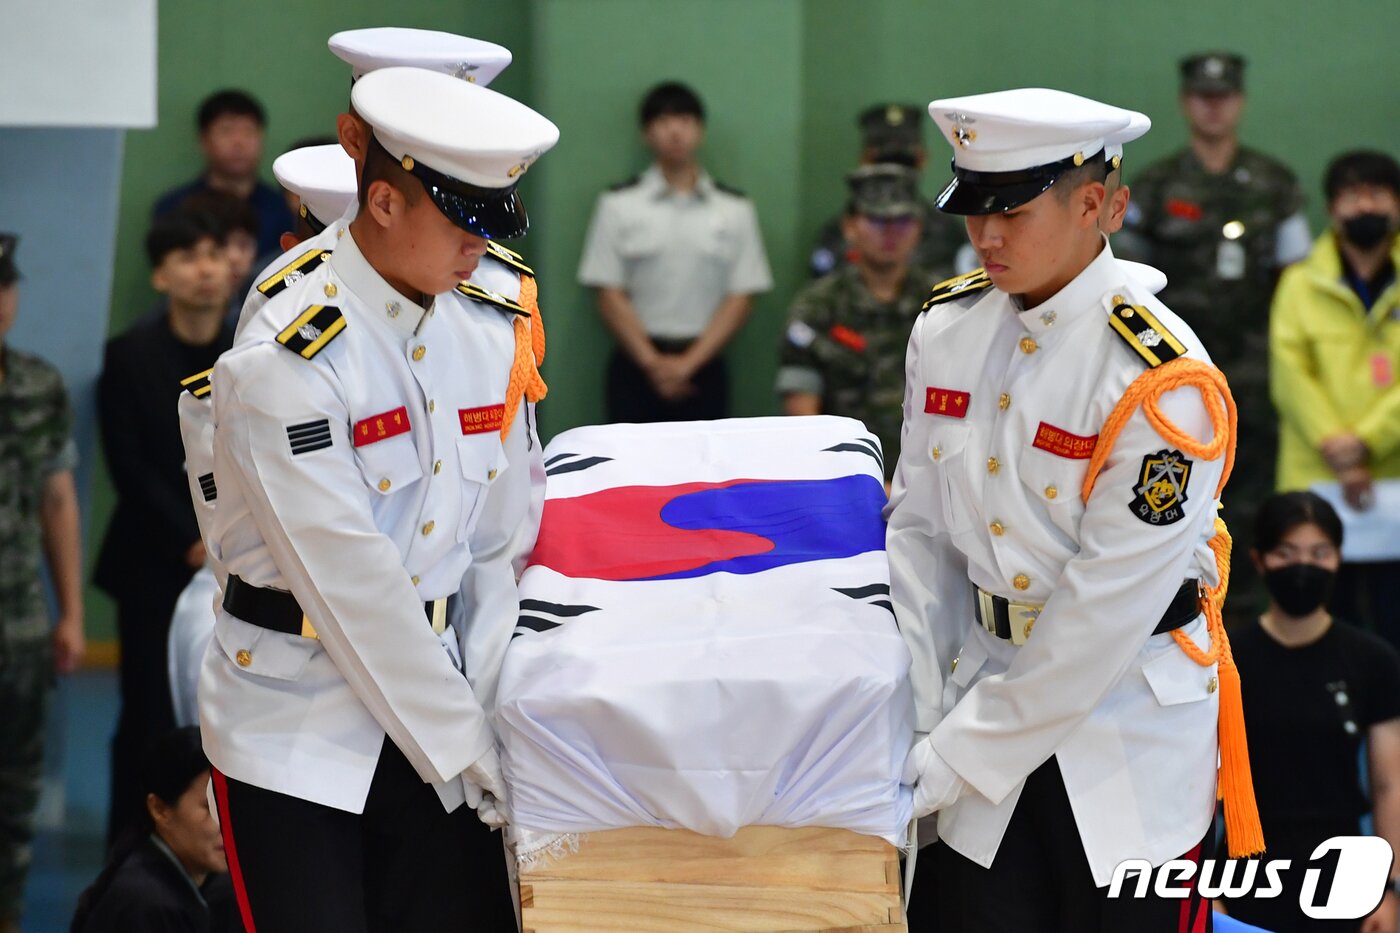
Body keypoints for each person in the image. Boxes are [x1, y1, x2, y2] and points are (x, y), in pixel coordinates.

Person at [199, 66, 554, 932]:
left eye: (494, 221)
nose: (481, 246)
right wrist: (468, 745)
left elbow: (500, 543)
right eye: (463, 219)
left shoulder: (480, 324)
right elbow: (348, 581)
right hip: (295, 728)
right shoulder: (289, 352)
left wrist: (504, 702)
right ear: (386, 203)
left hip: (444, 703)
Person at [893, 88, 1247, 931]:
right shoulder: (946, 331)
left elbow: (1102, 613)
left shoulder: (1158, 380)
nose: (985, 235)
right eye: (973, 208)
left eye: (1010, 211)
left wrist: (955, 755)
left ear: (1096, 203)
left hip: (1124, 731)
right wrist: (909, 710)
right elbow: (919, 537)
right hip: (978, 699)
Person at [1120, 53, 1311, 624]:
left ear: (1240, 102)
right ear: (1185, 103)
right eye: (1202, 96)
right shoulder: (1154, 188)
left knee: (1251, 502)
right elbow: (1130, 289)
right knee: (1170, 494)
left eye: (1223, 96)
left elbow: (1295, 282)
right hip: (1174, 379)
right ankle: (1176, 614)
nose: (1213, 106)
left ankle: (1249, 621)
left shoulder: (1275, 184)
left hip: (1255, 375)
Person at [96, 210, 234, 844]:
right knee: (148, 711)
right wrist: (192, 538)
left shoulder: (251, 354)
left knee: (228, 713)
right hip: (154, 559)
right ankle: (131, 850)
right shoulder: (127, 357)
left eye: (215, 253)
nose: (205, 269)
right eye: (187, 256)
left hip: (237, 558)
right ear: (159, 274)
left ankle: (219, 853)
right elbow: (130, 466)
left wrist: (223, 540)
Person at [1222, 491, 1400, 933]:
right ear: (1259, 559)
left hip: (1344, 872)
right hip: (1244, 872)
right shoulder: (1225, 660)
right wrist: (1205, 885)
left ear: (1339, 559)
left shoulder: (1372, 660)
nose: (1304, 566)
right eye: (1287, 553)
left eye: (1319, 553)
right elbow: (1199, 779)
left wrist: (1389, 886)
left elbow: (1389, 783)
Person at [579, 80, 773, 423]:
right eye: (663, 121)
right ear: (646, 133)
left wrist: (687, 365)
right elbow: (608, 294)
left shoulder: (734, 209)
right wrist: (655, 365)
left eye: (685, 120)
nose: (675, 132)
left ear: (700, 129)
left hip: (705, 365)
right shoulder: (619, 205)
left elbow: (741, 298)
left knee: (706, 472)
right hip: (635, 366)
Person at [1270, 150, 1400, 648]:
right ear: (1331, 208)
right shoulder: (1300, 284)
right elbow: (1290, 377)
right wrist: (1340, 449)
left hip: (1393, 482)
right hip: (1316, 485)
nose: (1364, 205)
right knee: (1325, 629)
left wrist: (1365, 443)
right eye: (1351, 195)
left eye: (1377, 194)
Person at [0, 234, 84, 933]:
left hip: (18, 622)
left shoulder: (36, 382)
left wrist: (73, 613)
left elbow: (58, 499)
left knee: (15, 788)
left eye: (5, 285)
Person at [777, 164, 945, 480]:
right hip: (843, 482)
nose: (891, 233)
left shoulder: (944, 304)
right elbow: (803, 420)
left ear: (919, 228)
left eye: (903, 220)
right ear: (850, 226)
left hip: (932, 485)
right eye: (877, 220)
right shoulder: (818, 308)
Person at [71, 727, 242, 933]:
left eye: (229, 806)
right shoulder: (148, 905)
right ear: (159, 809)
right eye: (210, 808)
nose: (227, 823)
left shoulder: (153, 883)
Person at [808, 104, 968, 279]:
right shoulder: (840, 234)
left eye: (903, 161)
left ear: (922, 159)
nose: (894, 173)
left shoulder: (948, 234)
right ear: (865, 160)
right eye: (882, 161)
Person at [153, 90, 294, 259]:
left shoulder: (283, 209)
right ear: (204, 141)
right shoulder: (175, 207)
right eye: (226, 131)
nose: (238, 142)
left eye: (248, 131)